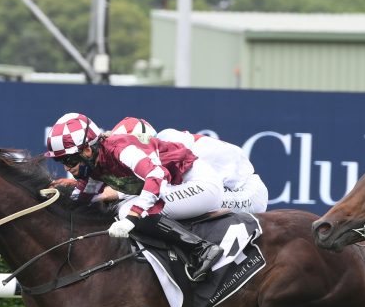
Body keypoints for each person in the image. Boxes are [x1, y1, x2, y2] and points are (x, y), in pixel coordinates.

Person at [44, 112, 224, 281]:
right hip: (174, 186)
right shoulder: (94, 166)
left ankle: (201, 248)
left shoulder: (120, 148)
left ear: (87, 151)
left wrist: (133, 217)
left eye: (69, 160)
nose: (66, 168)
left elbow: (156, 175)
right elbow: (80, 201)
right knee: (120, 209)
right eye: (60, 162)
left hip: (200, 184)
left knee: (127, 211)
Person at [112, 116, 269, 214]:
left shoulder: (169, 144)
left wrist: (118, 194)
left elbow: (157, 185)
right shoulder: (163, 141)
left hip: (246, 193)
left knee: (164, 205)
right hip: (229, 187)